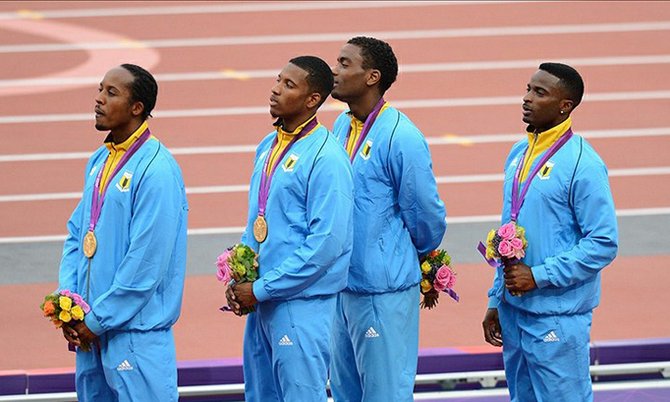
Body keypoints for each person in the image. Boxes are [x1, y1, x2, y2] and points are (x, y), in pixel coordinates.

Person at [482, 63, 618, 401]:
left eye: (539, 92)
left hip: (557, 316)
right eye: (528, 89)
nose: (526, 98)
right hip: (515, 311)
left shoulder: (583, 164)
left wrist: (539, 275)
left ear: (565, 105)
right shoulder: (518, 153)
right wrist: (497, 298)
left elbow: (603, 243)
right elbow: (508, 234)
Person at [225, 55, 354, 402]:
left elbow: (326, 243)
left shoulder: (327, 158)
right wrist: (240, 274)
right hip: (262, 303)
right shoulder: (268, 147)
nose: (275, 89)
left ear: (312, 100)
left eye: (288, 85)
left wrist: (263, 287)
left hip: (300, 305)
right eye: (278, 80)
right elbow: (257, 223)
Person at [58, 64, 188, 401]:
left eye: (111, 93)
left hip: (135, 335)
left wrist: (96, 318)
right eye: (100, 90)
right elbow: (77, 234)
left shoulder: (156, 170)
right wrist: (69, 302)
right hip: (92, 332)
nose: (98, 99)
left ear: (137, 108)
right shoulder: (100, 161)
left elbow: (145, 262)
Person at [328, 36, 447, 401]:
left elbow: (427, 216)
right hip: (341, 288)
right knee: (346, 394)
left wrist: (390, 254)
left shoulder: (401, 136)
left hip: (382, 291)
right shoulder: (339, 128)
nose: (334, 70)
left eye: (345, 64)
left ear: (372, 76)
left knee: (385, 395)